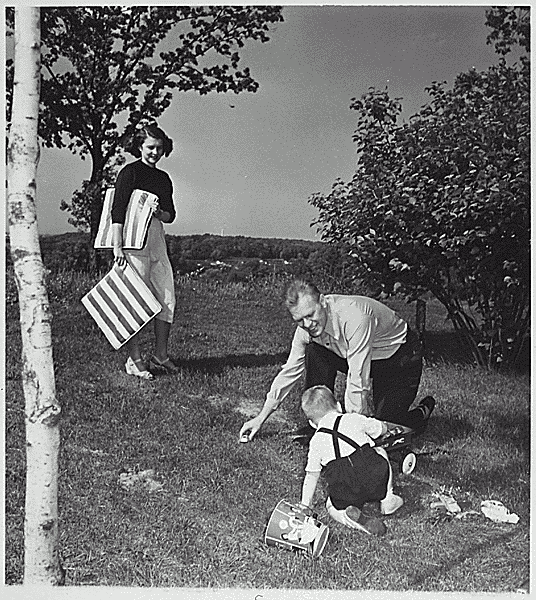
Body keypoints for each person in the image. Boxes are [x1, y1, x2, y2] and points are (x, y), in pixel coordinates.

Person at [239, 278, 435, 441]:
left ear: (323, 302)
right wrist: (260, 418)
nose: (307, 324)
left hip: (400, 358)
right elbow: (289, 372)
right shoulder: (305, 330)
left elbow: (358, 380)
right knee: (315, 350)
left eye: (310, 314)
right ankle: (321, 421)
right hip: (361, 356)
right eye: (299, 320)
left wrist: (352, 433)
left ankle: (420, 414)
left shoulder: (355, 316)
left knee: (385, 432)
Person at [112, 123, 178, 379]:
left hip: (156, 238)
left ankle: (160, 355)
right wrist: (118, 246)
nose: (155, 152)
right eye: (151, 147)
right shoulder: (129, 173)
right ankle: (135, 359)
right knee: (134, 301)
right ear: (139, 146)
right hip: (131, 241)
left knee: (166, 297)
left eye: (159, 148)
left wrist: (158, 211)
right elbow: (117, 211)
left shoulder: (163, 178)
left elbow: (170, 215)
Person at [299, 385, 403, 536]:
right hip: (374, 479)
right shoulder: (353, 419)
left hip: (346, 492)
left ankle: (347, 517)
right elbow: (380, 428)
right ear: (339, 406)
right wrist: (385, 428)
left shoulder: (316, 441)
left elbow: (312, 475)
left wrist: (305, 506)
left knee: (330, 505)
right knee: (380, 451)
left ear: (312, 423)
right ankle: (388, 499)